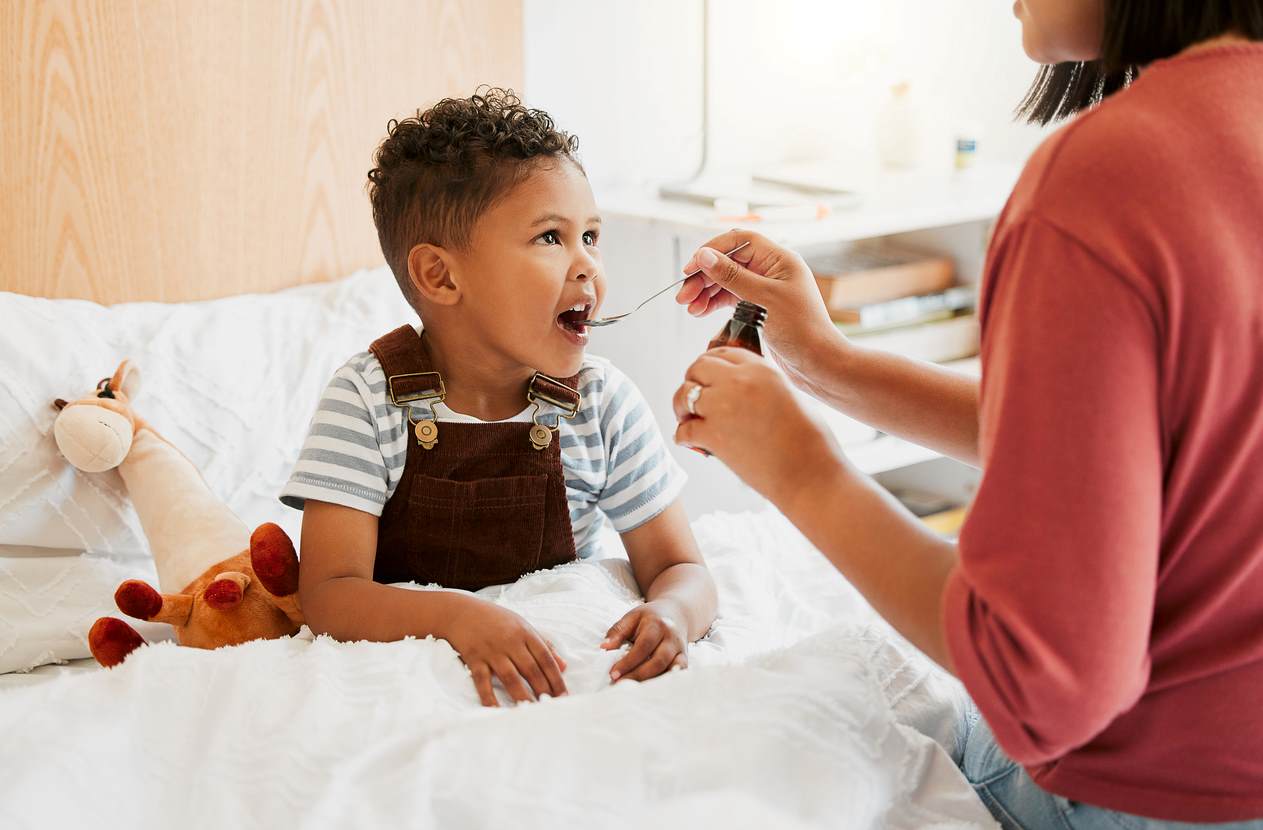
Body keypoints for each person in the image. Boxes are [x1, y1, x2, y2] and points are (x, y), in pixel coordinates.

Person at [671, 1, 1263, 826]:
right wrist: (830, 366)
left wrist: (799, 469)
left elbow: (1040, 684)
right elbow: (1153, 434)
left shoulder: (1107, 175)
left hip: (1154, 795)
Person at [281, 89, 717, 707]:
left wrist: (674, 614)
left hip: (568, 683)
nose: (588, 265)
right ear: (441, 276)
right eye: (550, 238)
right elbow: (328, 594)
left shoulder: (603, 402)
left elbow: (684, 569)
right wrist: (458, 619)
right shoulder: (367, 399)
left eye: (591, 235)